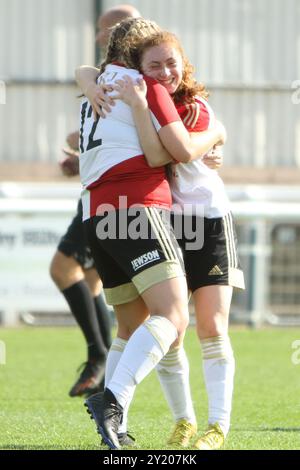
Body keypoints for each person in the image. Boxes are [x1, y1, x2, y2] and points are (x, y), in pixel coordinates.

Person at [77, 26, 244, 450]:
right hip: (155, 216)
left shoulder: (187, 102)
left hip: (202, 219)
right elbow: (159, 154)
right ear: (136, 63)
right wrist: (100, 85)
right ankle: (174, 421)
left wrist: (217, 132)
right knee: (162, 324)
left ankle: (216, 427)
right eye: (154, 64)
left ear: (183, 61)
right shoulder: (139, 90)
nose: (164, 71)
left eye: (172, 62)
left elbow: (182, 151)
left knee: (207, 325)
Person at [49, 5, 141, 398]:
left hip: (113, 197)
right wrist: (80, 154)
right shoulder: (107, 75)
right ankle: (102, 362)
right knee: (92, 280)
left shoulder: (135, 77)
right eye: (102, 31)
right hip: (102, 191)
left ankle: (99, 356)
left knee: (62, 268)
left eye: (109, 31)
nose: (102, 37)